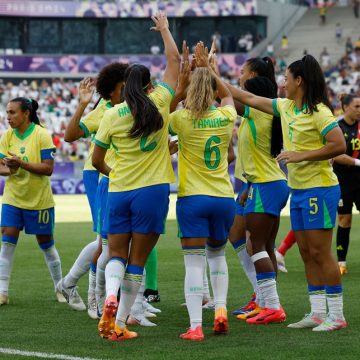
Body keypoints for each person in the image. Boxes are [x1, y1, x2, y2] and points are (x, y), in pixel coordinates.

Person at [226, 54, 347, 332]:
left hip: (320, 189)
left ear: (299, 81)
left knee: (321, 252)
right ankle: (317, 312)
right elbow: (244, 96)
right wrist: (208, 72)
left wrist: (300, 155)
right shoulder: (286, 107)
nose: (283, 83)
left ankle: (336, 315)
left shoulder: (320, 112)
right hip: (299, 190)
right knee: (305, 251)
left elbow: (338, 144)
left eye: (287, 78)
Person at [93, 11, 180, 341]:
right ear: (148, 84)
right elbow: (174, 61)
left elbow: (96, 158)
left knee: (115, 253)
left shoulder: (112, 114)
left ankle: (109, 297)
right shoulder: (159, 101)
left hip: (120, 190)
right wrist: (165, 30)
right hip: (152, 191)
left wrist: (113, 174)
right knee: (138, 260)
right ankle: (121, 322)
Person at [169, 42, 236, 341]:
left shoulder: (181, 120)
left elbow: (166, 110)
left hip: (193, 198)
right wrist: (208, 69)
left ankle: (196, 325)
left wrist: (183, 84)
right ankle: (220, 309)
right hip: (223, 197)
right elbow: (229, 94)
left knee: (193, 263)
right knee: (218, 257)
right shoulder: (224, 118)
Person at [57, 63, 128, 319]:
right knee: (105, 239)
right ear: (113, 90)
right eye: (125, 85)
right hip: (99, 173)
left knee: (110, 239)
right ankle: (93, 300)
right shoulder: (106, 110)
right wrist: (82, 104)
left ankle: (68, 284)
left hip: (116, 176)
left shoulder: (129, 106)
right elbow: (70, 135)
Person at [227, 71, 288, 325]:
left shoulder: (257, 111)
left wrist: (208, 71)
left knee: (256, 246)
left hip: (265, 185)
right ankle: (265, 303)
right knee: (265, 247)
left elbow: (229, 94)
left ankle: (272, 306)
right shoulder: (267, 114)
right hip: (267, 183)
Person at [0, 98, 63, 305]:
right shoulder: (7, 136)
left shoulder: (42, 135)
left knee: (46, 244)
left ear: (26, 113)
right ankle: (2, 292)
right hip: (13, 197)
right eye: (7, 112)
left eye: (12, 113)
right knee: (7, 239)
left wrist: (21, 163)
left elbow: (48, 168)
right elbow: (2, 167)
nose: (8, 117)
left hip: (39, 201)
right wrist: (10, 169)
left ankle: (60, 288)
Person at [333, 94, 360, 275]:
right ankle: (341, 262)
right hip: (343, 182)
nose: (359, 110)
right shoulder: (337, 127)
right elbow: (336, 155)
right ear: (345, 107)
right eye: (356, 106)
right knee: (344, 220)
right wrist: (358, 162)